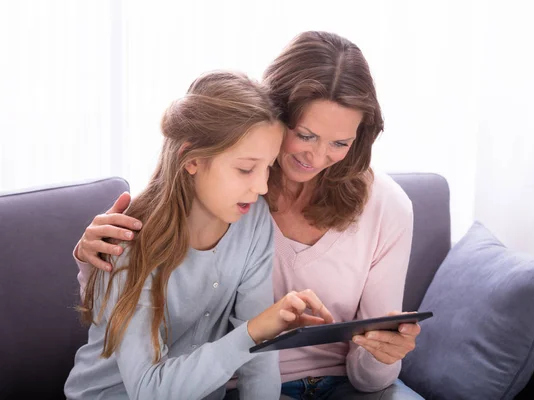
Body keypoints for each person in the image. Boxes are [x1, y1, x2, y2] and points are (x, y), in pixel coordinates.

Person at [73, 32, 423, 399]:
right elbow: (129, 316)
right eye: (305, 135)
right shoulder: (227, 193)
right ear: (276, 115)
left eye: (340, 143)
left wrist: (384, 354)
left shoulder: (259, 213)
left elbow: (364, 375)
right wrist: (90, 261)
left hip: (336, 383)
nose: (317, 159)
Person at [64, 71, 333, 400]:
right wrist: (253, 331)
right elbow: (149, 390)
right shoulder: (130, 237)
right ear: (192, 160)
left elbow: (259, 361)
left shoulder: (254, 219)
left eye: (268, 167)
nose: (261, 186)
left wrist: (258, 334)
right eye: (246, 169)